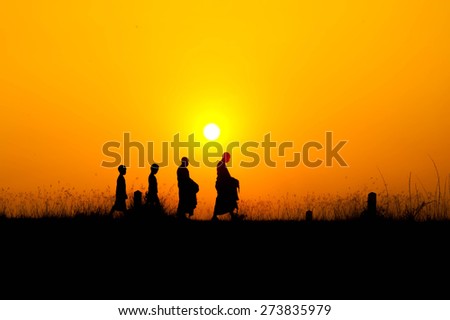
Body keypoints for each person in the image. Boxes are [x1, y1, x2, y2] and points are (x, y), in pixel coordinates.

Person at [212, 152, 241, 221]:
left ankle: (232, 216)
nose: (229, 159)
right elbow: (224, 176)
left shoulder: (222, 164)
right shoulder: (221, 164)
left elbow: (227, 176)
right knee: (223, 200)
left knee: (226, 200)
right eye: (228, 158)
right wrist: (233, 180)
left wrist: (232, 179)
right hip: (222, 185)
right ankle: (215, 216)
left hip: (222, 184)